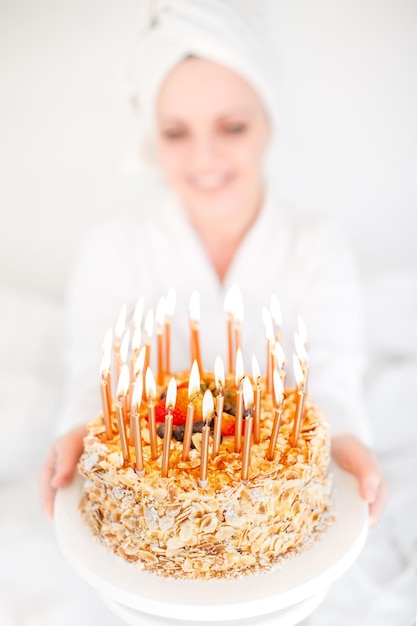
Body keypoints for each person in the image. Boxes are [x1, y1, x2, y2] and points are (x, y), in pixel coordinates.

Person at [40, 0, 387, 530]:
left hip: (276, 522)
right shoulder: (113, 250)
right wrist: (77, 433)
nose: (204, 158)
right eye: (176, 133)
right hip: (156, 526)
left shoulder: (316, 247)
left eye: (232, 127)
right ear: (154, 138)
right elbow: (95, 382)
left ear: (269, 123)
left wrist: (343, 439)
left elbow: (333, 385)